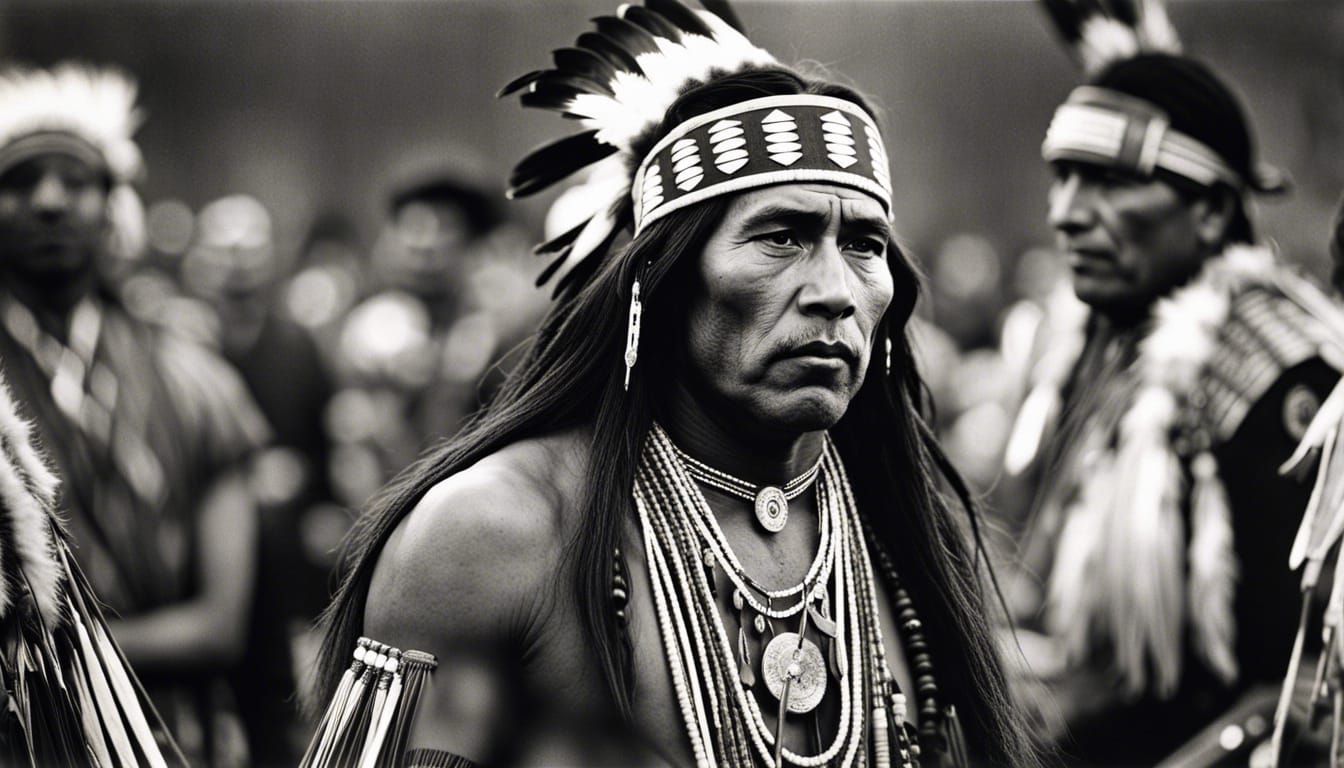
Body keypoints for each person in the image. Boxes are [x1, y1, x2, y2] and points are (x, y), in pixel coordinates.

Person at [307, 3, 1038, 767]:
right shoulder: (490, 536)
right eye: (781, 235)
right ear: (659, 280)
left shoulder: (904, 530)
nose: (835, 290)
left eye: (862, 243)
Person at [1002, 3, 1343, 764]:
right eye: (1062, 180)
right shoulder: (1109, 347)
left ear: (1214, 211)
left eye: (1109, 184)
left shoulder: (1281, 376)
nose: (1066, 215)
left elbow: (1303, 684)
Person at [0, 63, 270, 765]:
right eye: (19, 182)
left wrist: (42, 658)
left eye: (77, 182)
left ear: (114, 207)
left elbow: (220, 625)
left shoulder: (198, 382)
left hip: (176, 739)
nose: (51, 202)